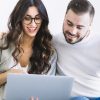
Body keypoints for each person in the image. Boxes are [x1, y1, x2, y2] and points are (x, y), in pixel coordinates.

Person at [0, 0, 57, 99]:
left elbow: (49, 90)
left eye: (37, 18)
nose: (33, 23)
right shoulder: (3, 43)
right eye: (27, 18)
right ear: (19, 19)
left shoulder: (49, 53)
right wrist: (9, 75)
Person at [53, 0, 100, 99]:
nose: (72, 31)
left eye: (79, 27)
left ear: (89, 26)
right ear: (64, 18)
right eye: (69, 23)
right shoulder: (54, 41)